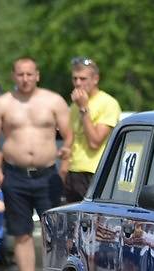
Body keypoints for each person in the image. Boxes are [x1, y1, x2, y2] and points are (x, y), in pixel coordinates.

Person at [0, 57, 73, 271]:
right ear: (14, 76)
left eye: (29, 74)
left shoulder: (53, 101)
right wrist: (0, 177)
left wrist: (63, 169)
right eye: (20, 74)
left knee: (53, 234)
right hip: (15, 175)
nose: (25, 79)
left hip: (47, 175)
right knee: (22, 234)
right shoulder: (2, 104)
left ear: (37, 75)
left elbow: (69, 137)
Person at [63, 57, 121, 202]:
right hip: (72, 172)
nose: (77, 83)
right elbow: (71, 140)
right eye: (74, 78)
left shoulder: (108, 103)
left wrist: (84, 108)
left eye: (83, 79)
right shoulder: (74, 105)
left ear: (95, 79)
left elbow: (95, 142)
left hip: (94, 172)